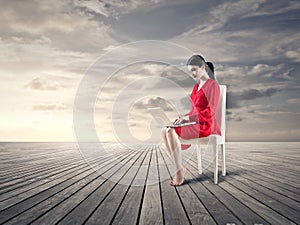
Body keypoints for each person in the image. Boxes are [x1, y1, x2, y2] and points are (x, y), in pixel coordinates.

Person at [161, 54, 221, 186]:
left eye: (194, 69)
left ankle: (178, 172)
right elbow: (194, 110)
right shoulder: (196, 87)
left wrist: (189, 118)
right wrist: (182, 118)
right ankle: (180, 168)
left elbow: (211, 111)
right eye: (190, 71)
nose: (192, 74)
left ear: (203, 67)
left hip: (205, 124)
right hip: (195, 122)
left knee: (170, 132)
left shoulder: (213, 85)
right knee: (164, 131)